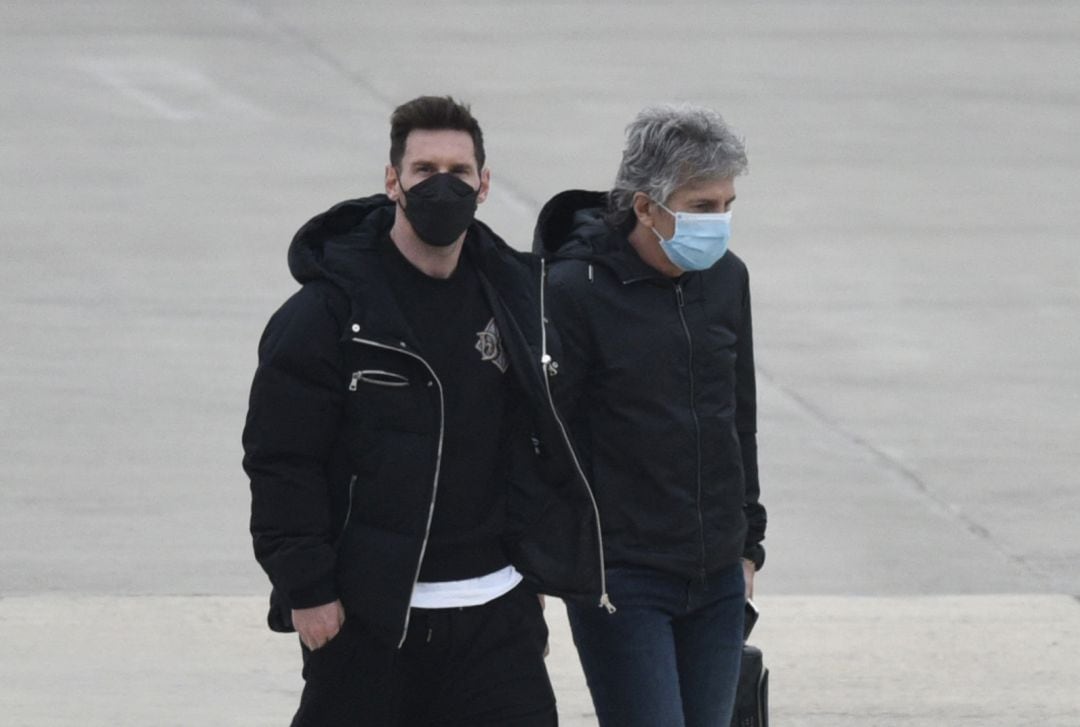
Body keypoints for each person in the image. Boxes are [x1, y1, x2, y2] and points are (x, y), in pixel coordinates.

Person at [242, 95, 606, 727]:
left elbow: (546, 433)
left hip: (496, 613)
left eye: (459, 173)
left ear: (484, 184)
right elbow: (280, 461)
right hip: (369, 618)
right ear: (392, 182)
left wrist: (539, 565)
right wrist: (308, 588)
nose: (443, 185)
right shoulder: (326, 315)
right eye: (423, 170)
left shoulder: (518, 299)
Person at [533, 104, 767, 727]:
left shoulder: (727, 280)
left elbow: (736, 416)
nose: (718, 223)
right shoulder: (573, 290)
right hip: (625, 579)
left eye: (726, 204)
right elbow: (549, 437)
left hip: (717, 575)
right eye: (701, 206)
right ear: (645, 206)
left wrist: (748, 544)